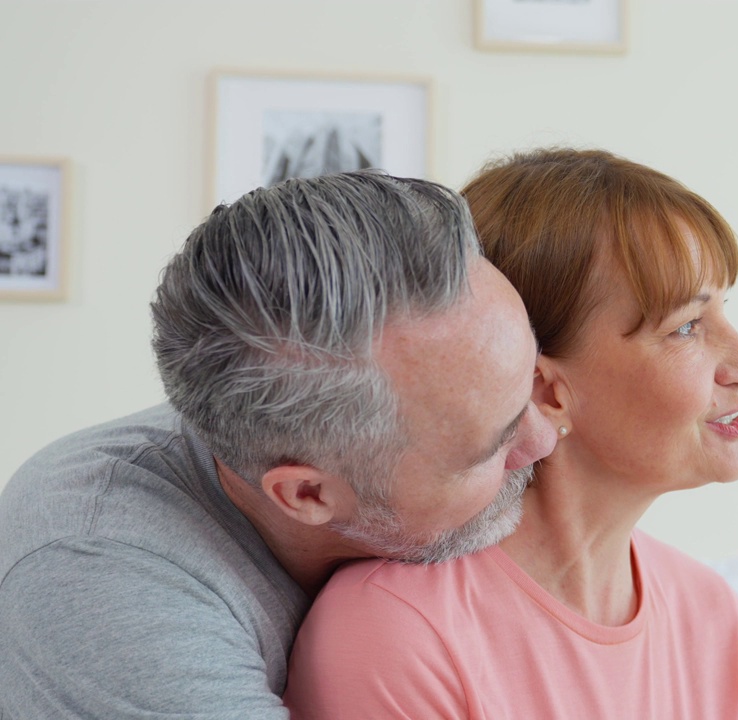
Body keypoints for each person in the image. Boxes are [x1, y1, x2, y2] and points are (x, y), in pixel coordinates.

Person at [0, 171, 556, 718]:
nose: (547, 438)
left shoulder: (341, 428)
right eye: (490, 448)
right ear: (307, 494)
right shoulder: (100, 584)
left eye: (531, 380)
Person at [284, 148, 738, 719]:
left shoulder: (713, 618)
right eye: (686, 326)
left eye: (723, 311)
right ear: (543, 390)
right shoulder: (394, 634)